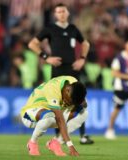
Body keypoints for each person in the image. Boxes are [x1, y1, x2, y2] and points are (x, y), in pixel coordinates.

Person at [28, 3, 93, 144]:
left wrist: (82, 59)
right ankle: (59, 137)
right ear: (55, 14)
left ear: (67, 13)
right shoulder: (50, 29)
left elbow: (86, 44)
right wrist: (47, 58)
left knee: (80, 100)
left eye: (63, 11)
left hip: (72, 69)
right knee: (59, 102)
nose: (61, 14)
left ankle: (83, 136)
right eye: (58, 12)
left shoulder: (73, 29)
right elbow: (32, 44)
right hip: (58, 70)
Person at [20, 75, 88, 156]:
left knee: (83, 113)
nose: (67, 103)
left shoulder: (73, 83)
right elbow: (60, 119)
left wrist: (82, 103)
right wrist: (70, 146)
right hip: (30, 114)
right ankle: (32, 143)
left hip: (52, 116)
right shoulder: (53, 89)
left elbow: (84, 103)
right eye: (68, 101)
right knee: (50, 116)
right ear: (67, 90)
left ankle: (55, 143)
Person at [105, 40, 128, 140]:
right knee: (117, 110)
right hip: (120, 88)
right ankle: (110, 129)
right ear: (126, 46)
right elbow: (114, 73)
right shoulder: (119, 58)